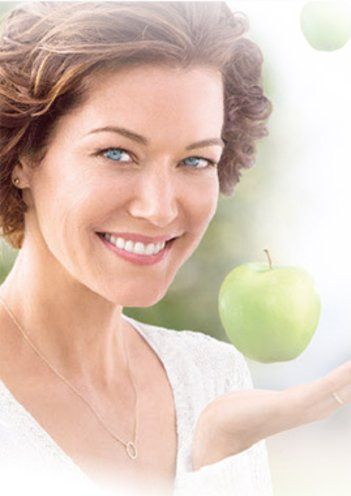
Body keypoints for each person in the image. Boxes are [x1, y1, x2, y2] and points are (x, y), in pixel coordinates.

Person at [0, 2, 349, 495]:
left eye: (195, 160)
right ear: (23, 158)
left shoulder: (211, 377)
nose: (160, 209)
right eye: (116, 153)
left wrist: (216, 460)